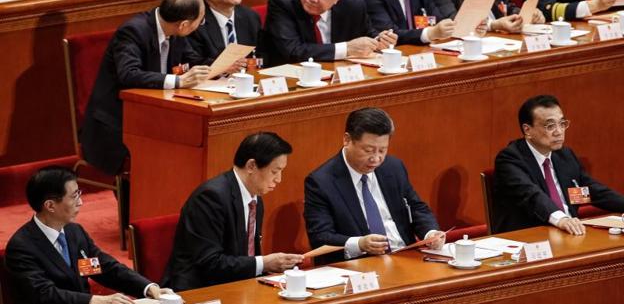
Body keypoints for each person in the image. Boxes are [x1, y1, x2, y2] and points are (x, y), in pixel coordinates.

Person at [80, 0, 211, 176]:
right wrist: (177, 81)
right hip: (116, 128)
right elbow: (129, 74)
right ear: (183, 25)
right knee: (173, 154)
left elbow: (194, 60)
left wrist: (225, 65)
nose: (200, 25)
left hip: (153, 119)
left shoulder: (174, 32)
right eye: (200, 21)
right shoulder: (133, 31)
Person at [4, 167, 173, 304]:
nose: (80, 202)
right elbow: (44, 294)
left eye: (79, 194)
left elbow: (102, 267)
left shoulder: (74, 232)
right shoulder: (22, 248)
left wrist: (146, 287)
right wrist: (93, 300)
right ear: (50, 205)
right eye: (73, 196)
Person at [161, 132, 304, 290]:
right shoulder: (210, 198)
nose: (279, 179)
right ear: (251, 166)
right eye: (274, 172)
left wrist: (270, 266)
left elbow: (246, 258)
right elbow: (210, 263)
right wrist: (263, 263)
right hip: (200, 290)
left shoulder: (255, 200)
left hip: (238, 286)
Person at [304, 108, 444, 265]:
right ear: (347, 140)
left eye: (382, 150)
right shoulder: (321, 182)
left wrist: (430, 233)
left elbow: (416, 207)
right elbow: (320, 237)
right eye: (368, 150)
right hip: (361, 265)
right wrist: (359, 244)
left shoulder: (393, 167)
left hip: (407, 256)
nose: (376, 159)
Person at [492, 95, 624, 235]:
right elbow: (531, 195)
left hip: (569, 235)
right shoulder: (510, 159)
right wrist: (562, 219)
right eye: (550, 126)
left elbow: (589, 191)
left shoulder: (564, 156)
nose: (559, 132)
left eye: (562, 124)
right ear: (527, 130)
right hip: (530, 240)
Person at [261, 0, 398, 67]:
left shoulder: (353, 6)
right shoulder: (283, 1)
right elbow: (293, 51)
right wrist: (347, 49)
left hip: (338, 73)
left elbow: (368, 33)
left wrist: (380, 40)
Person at [189, 0, 260, 73]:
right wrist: (222, 68)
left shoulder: (250, 17)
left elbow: (262, 56)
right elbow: (194, 63)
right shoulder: (195, 24)